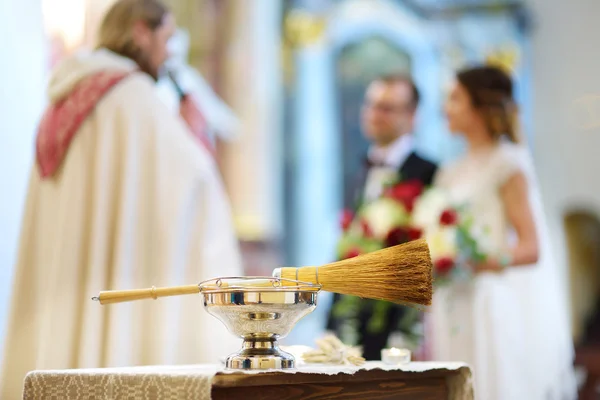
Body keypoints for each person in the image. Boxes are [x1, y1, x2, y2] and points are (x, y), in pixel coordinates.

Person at [0, 1, 242, 398]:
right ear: (140, 32)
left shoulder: (60, 98)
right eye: (166, 39)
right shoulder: (133, 99)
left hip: (61, 298)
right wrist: (196, 134)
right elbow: (196, 184)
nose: (168, 54)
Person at [429, 66, 577, 399]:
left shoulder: (508, 164)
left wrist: (473, 261)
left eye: (455, 98)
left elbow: (530, 248)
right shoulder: (448, 172)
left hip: (488, 302)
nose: (445, 108)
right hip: (453, 300)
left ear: (480, 105)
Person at [327, 75, 437, 361]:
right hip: (353, 318)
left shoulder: (429, 174)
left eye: (386, 108)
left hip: (401, 322)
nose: (374, 115)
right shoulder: (360, 170)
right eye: (371, 105)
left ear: (411, 115)